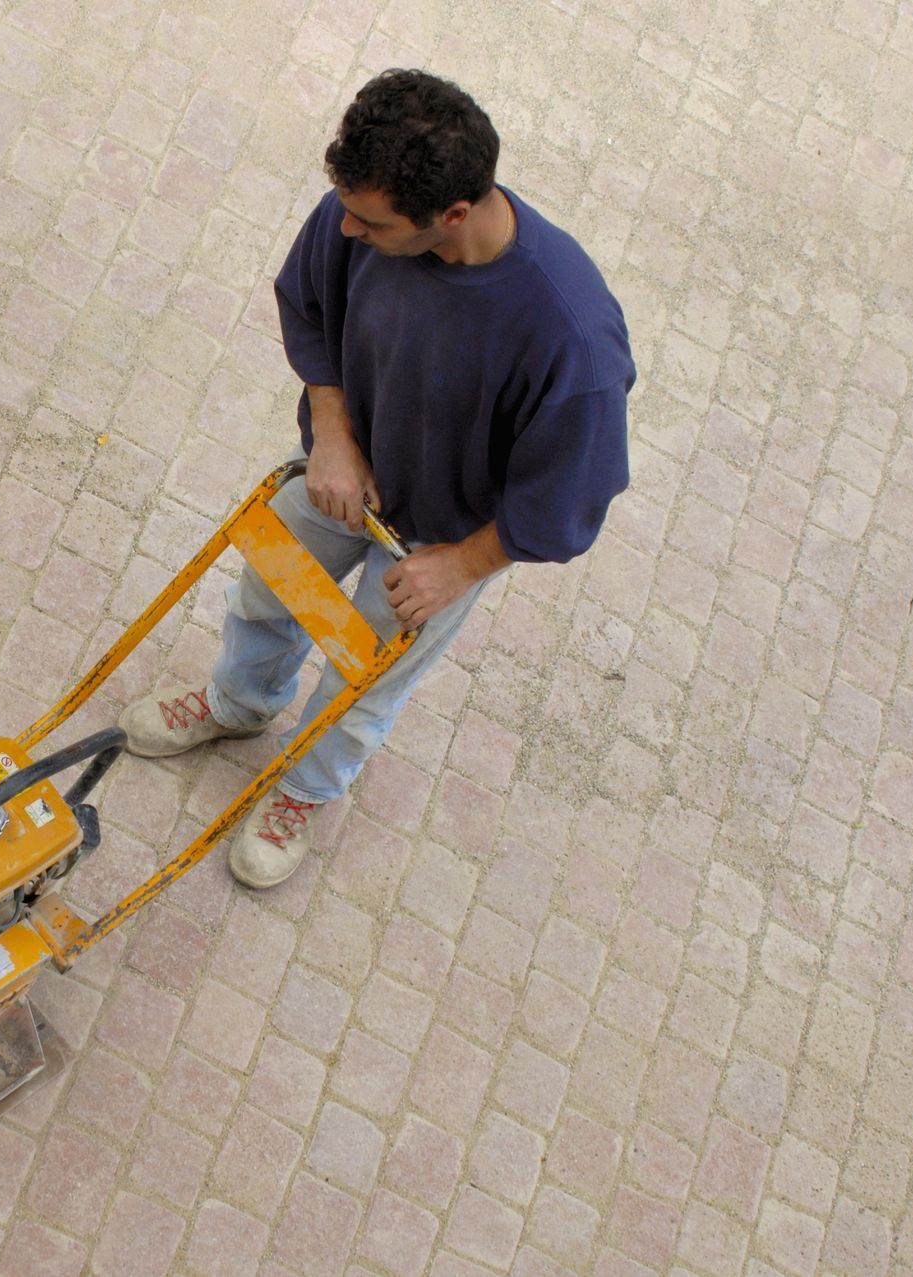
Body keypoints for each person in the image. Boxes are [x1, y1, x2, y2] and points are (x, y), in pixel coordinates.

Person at [119, 69, 635, 888]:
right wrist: (332, 433)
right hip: (340, 477)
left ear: (452, 215)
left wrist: (461, 566)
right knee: (268, 590)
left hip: (442, 541)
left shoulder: (571, 339)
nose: (346, 229)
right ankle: (239, 706)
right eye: (348, 208)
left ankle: (306, 789)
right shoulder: (362, 211)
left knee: (365, 677)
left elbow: (573, 496)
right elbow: (309, 306)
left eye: (371, 221)